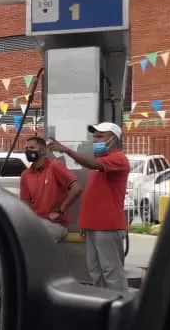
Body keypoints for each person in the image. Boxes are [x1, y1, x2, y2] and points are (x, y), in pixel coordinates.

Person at [48, 123, 131, 291]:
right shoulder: (101, 162)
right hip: (93, 227)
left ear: (113, 139)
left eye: (100, 136)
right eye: (94, 136)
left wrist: (67, 150)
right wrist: (85, 224)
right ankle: (103, 307)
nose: (95, 140)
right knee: (95, 272)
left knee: (111, 272)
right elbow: (94, 196)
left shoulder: (118, 159)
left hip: (107, 226)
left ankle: (121, 309)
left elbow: (92, 164)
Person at [20, 137, 82, 242]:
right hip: (35, 223)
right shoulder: (25, 175)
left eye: (32, 147)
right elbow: (25, 202)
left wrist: (61, 209)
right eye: (26, 148)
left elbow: (77, 189)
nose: (28, 151)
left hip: (55, 225)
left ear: (43, 151)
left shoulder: (54, 166)